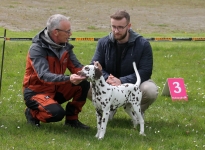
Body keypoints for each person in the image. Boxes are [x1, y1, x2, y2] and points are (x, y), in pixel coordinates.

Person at [23, 14, 90, 129]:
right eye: (68, 31)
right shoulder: (37, 49)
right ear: (56, 32)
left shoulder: (65, 47)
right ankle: (31, 113)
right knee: (56, 114)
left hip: (55, 89)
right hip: (35, 93)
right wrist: (68, 78)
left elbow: (77, 67)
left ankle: (72, 120)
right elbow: (44, 76)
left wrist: (93, 71)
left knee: (83, 83)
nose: (70, 34)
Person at [90, 10, 158, 119]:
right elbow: (94, 66)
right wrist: (108, 78)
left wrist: (122, 81)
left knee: (150, 90)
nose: (116, 31)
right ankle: (108, 108)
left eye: (120, 27)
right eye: (113, 27)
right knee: (88, 85)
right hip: (109, 84)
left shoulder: (143, 44)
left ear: (129, 26)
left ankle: (137, 111)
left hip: (133, 83)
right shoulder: (103, 43)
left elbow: (145, 71)